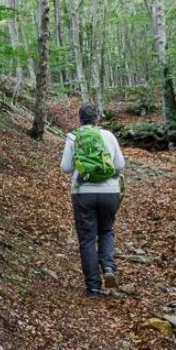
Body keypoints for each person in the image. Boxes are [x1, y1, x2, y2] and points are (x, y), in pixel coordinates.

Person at [60, 104, 126, 297]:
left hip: (82, 193)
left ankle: (94, 288)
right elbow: (120, 165)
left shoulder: (73, 137)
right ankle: (108, 267)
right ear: (98, 118)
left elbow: (65, 167)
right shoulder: (108, 136)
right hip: (110, 192)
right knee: (106, 230)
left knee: (87, 239)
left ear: (79, 119)